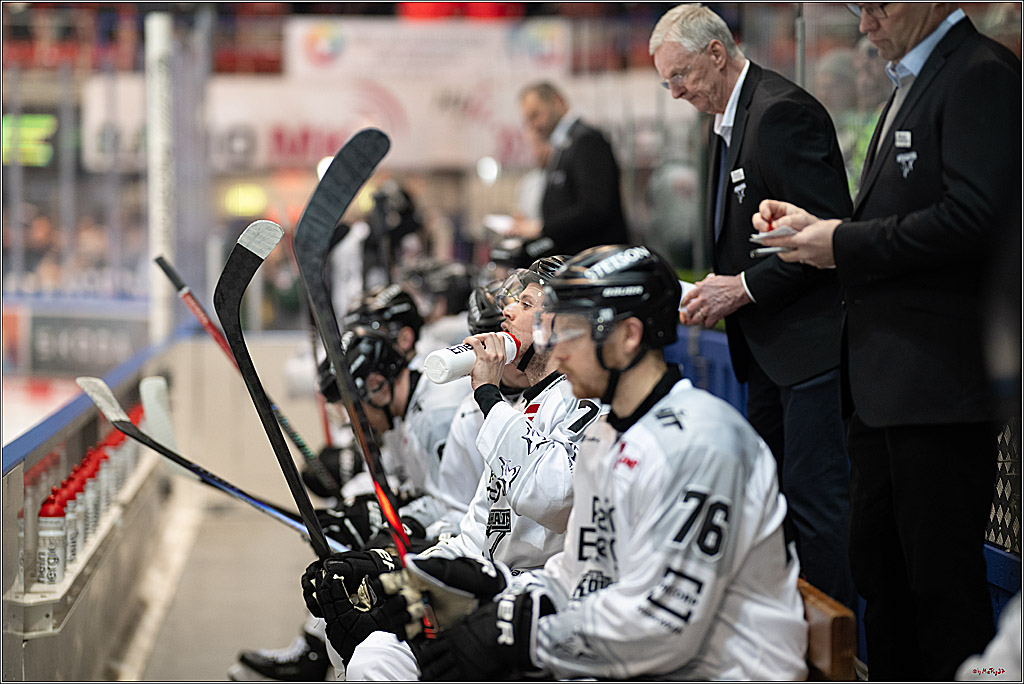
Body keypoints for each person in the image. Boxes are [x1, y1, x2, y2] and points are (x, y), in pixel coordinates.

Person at [753, 4, 1020, 679]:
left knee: (939, 588)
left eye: (878, 5)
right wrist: (818, 227)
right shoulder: (912, 81)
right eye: (856, 8)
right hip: (881, 384)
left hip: (938, 386)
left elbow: (973, 218)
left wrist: (839, 242)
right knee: (881, 573)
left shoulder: (981, 74)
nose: (864, 22)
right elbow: (903, 214)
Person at [403, 245, 807, 680]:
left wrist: (518, 636)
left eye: (570, 335)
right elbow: (578, 575)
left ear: (629, 336)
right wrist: (494, 591)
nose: (557, 356)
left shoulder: (703, 443)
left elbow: (662, 623)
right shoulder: (602, 434)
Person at [301, 256, 605, 680]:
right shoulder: (515, 406)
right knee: (371, 647)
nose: (508, 309)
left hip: (543, 609)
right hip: (490, 588)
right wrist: (392, 569)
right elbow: (476, 530)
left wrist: (489, 397)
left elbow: (553, 499)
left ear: (568, 324)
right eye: (511, 299)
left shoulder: (587, 402)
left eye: (527, 301)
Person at [650, 3, 856, 608]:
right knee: (773, 504)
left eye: (681, 75)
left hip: (810, 350)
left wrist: (742, 287)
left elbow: (827, 235)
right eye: (668, 82)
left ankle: (838, 656)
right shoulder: (725, 120)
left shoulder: (780, 113)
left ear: (717, 52)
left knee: (816, 506)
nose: (677, 92)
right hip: (765, 352)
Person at [508, 81, 629, 254]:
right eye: (527, 120)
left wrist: (542, 227)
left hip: (595, 261)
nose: (533, 126)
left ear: (557, 101)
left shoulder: (586, 140)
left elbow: (594, 208)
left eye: (535, 115)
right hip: (574, 259)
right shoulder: (563, 146)